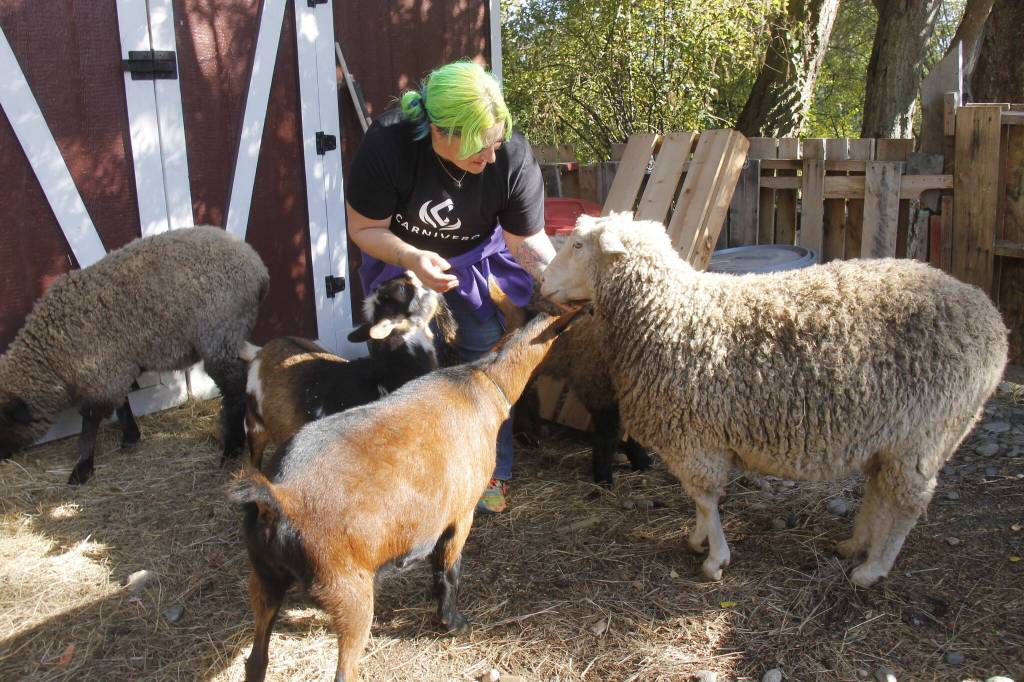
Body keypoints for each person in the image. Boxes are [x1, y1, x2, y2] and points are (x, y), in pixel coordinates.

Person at [345, 60, 556, 513]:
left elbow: (525, 240)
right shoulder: (387, 146)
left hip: (477, 263)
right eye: (480, 148)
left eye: (497, 141)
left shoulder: (512, 157)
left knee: (484, 364)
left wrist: (559, 281)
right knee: (406, 368)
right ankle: (418, 476)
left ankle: (490, 473)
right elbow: (364, 228)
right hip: (401, 266)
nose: (491, 157)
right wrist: (412, 259)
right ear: (439, 133)